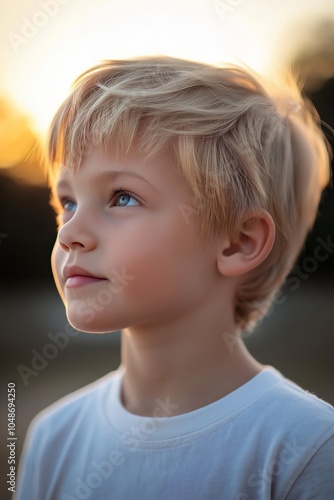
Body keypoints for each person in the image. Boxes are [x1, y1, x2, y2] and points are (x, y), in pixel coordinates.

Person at [15, 56, 334, 499]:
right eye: (67, 202)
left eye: (122, 197)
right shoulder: (52, 437)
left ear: (238, 242)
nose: (70, 233)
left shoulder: (307, 450)